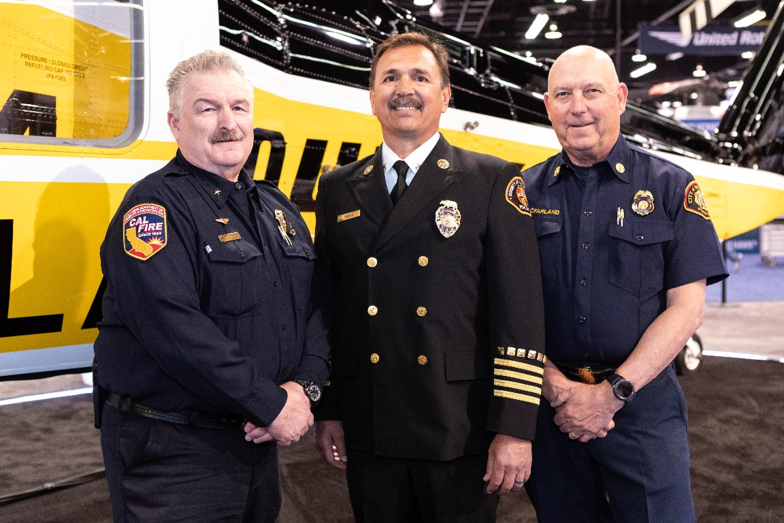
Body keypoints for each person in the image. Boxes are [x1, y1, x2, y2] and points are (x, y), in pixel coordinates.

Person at [312, 32, 546, 522]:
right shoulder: (337, 188)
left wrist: (515, 427)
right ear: (372, 96)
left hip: (459, 426)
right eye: (390, 77)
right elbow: (328, 309)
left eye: (421, 77)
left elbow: (519, 314)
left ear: (446, 96)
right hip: (371, 423)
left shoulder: (493, 180)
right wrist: (328, 408)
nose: (405, 89)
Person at [93, 50, 330, 523]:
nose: (229, 123)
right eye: (208, 108)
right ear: (175, 123)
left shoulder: (276, 209)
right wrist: (271, 403)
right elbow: (175, 330)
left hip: (255, 446)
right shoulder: (153, 208)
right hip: (175, 454)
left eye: (239, 107)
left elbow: (314, 309)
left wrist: (302, 390)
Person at [521, 45, 729, 522]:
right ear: (547, 106)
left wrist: (612, 392)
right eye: (563, 94)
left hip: (641, 406)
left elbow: (686, 309)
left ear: (619, 97)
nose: (578, 107)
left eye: (592, 91)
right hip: (551, 409)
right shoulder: (520, 195)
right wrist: (555, 387)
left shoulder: (671, 187)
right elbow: (506, 307)